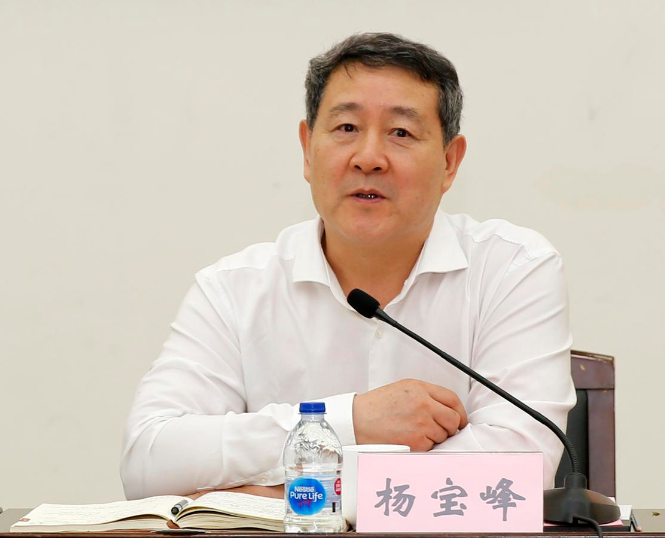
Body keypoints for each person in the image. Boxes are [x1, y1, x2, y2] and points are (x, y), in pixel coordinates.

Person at [120, 32, 576, 500]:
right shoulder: (233, 290)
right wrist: (349, 422)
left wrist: (294, 495)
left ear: (449, 162)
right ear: (307, 149)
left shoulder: (512, 270)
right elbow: (148, 461)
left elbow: (516, 472)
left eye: (401, 133)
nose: (369, 158)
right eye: (346, 128)